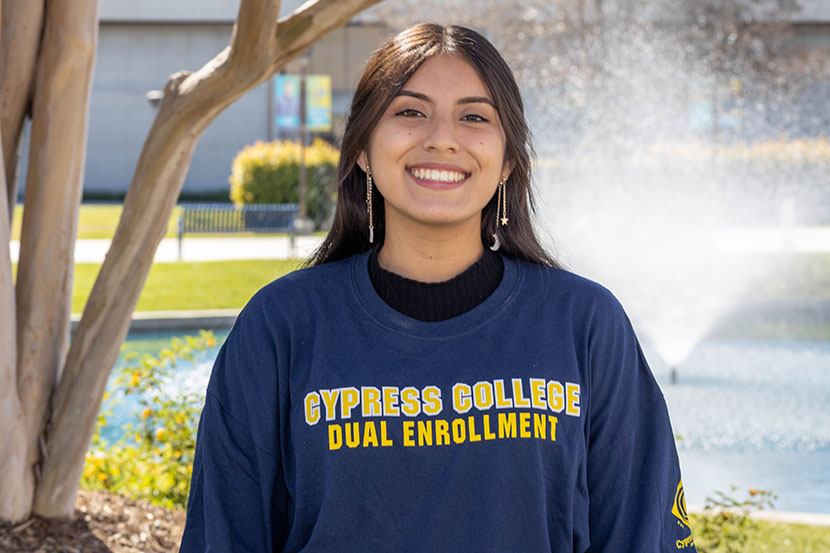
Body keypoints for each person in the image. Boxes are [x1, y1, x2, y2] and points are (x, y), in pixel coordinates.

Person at [179, 23, 697, 553]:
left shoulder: (584, 325)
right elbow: (224, 535)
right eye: (409, 112)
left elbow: (643, 533)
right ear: (361, 148)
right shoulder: (282, 326)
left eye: (474, 117)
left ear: (508, 160)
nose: (442, 138)